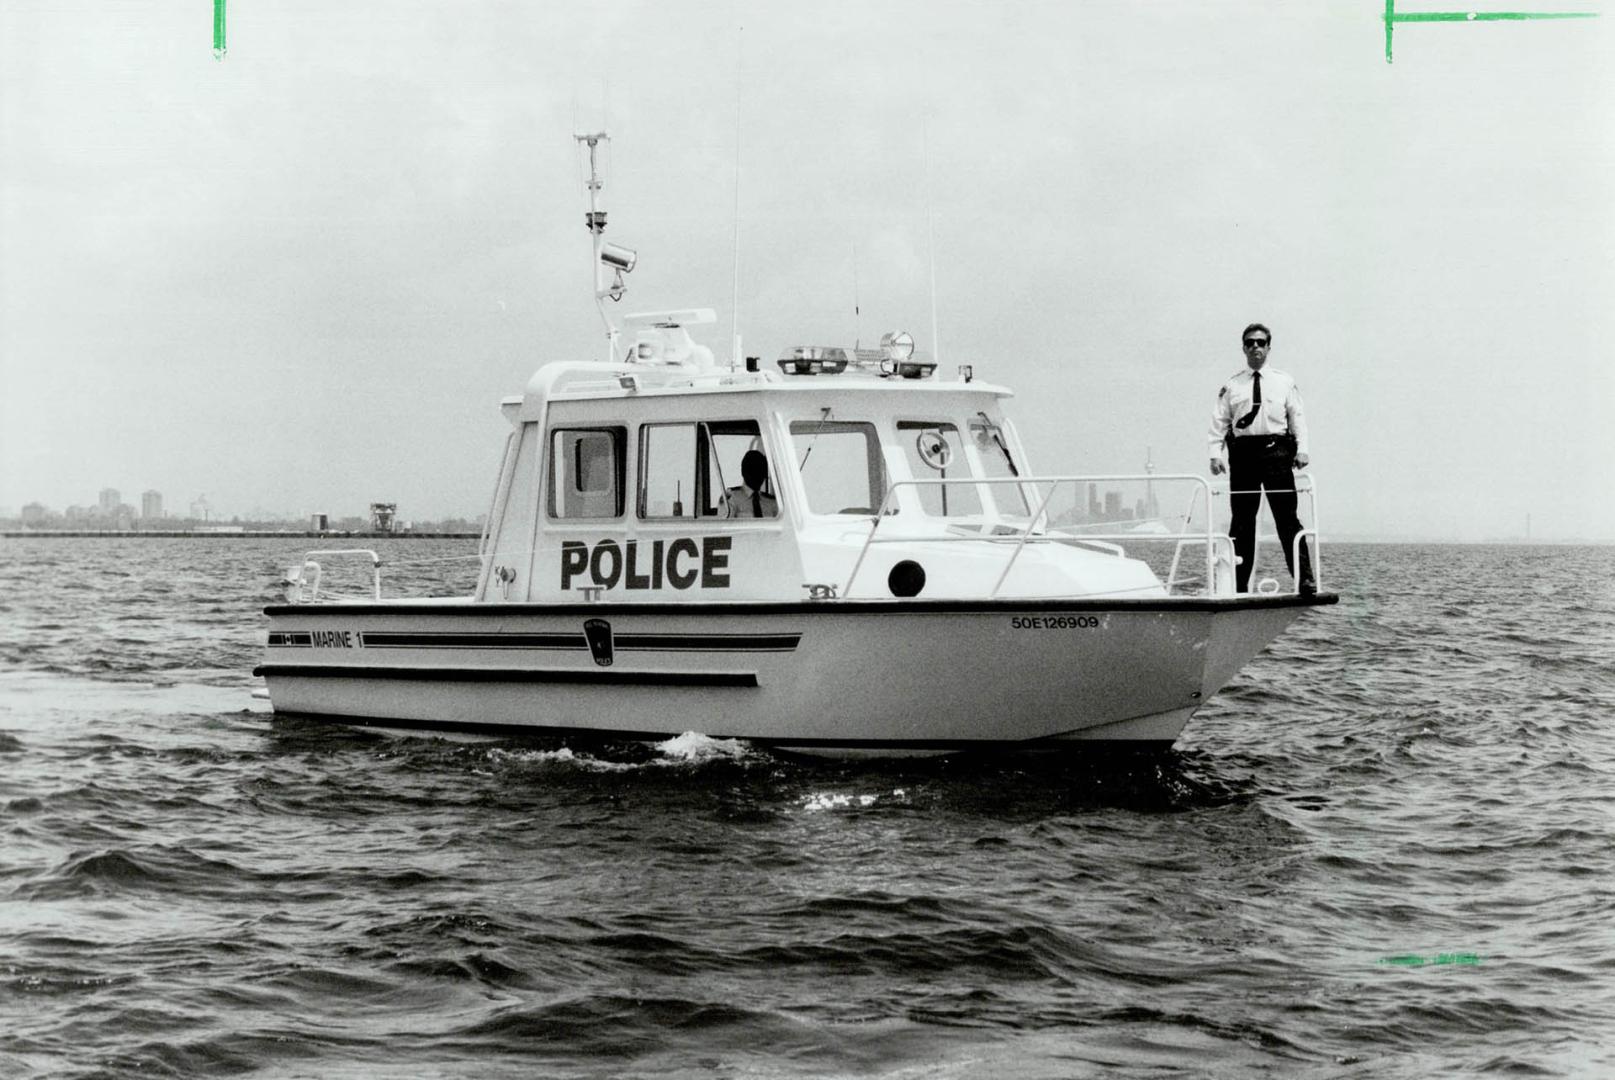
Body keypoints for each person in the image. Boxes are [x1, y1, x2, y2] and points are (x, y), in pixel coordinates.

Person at [1208, 322, 1315, 594]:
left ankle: (1304, 580)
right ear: (1243, 348)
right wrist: (1214, 453)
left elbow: (1297, 418)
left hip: (1277, 452)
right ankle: (1238, 585)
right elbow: (1219, 421)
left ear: (1268, 347)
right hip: (1243, 455)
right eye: (1250, 343)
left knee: (1287, 518)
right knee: (1242, 521)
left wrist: (1302, 449)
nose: (1255, 347)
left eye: (1260, 342)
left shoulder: (1284, 382)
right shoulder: (1232, 385)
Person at [723, 449, 778, 518]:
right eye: (753, 471)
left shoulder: (771, 502)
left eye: (761, 471)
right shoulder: (731, 500)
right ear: (743, 472)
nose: (758, 476)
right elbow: (724, 527)